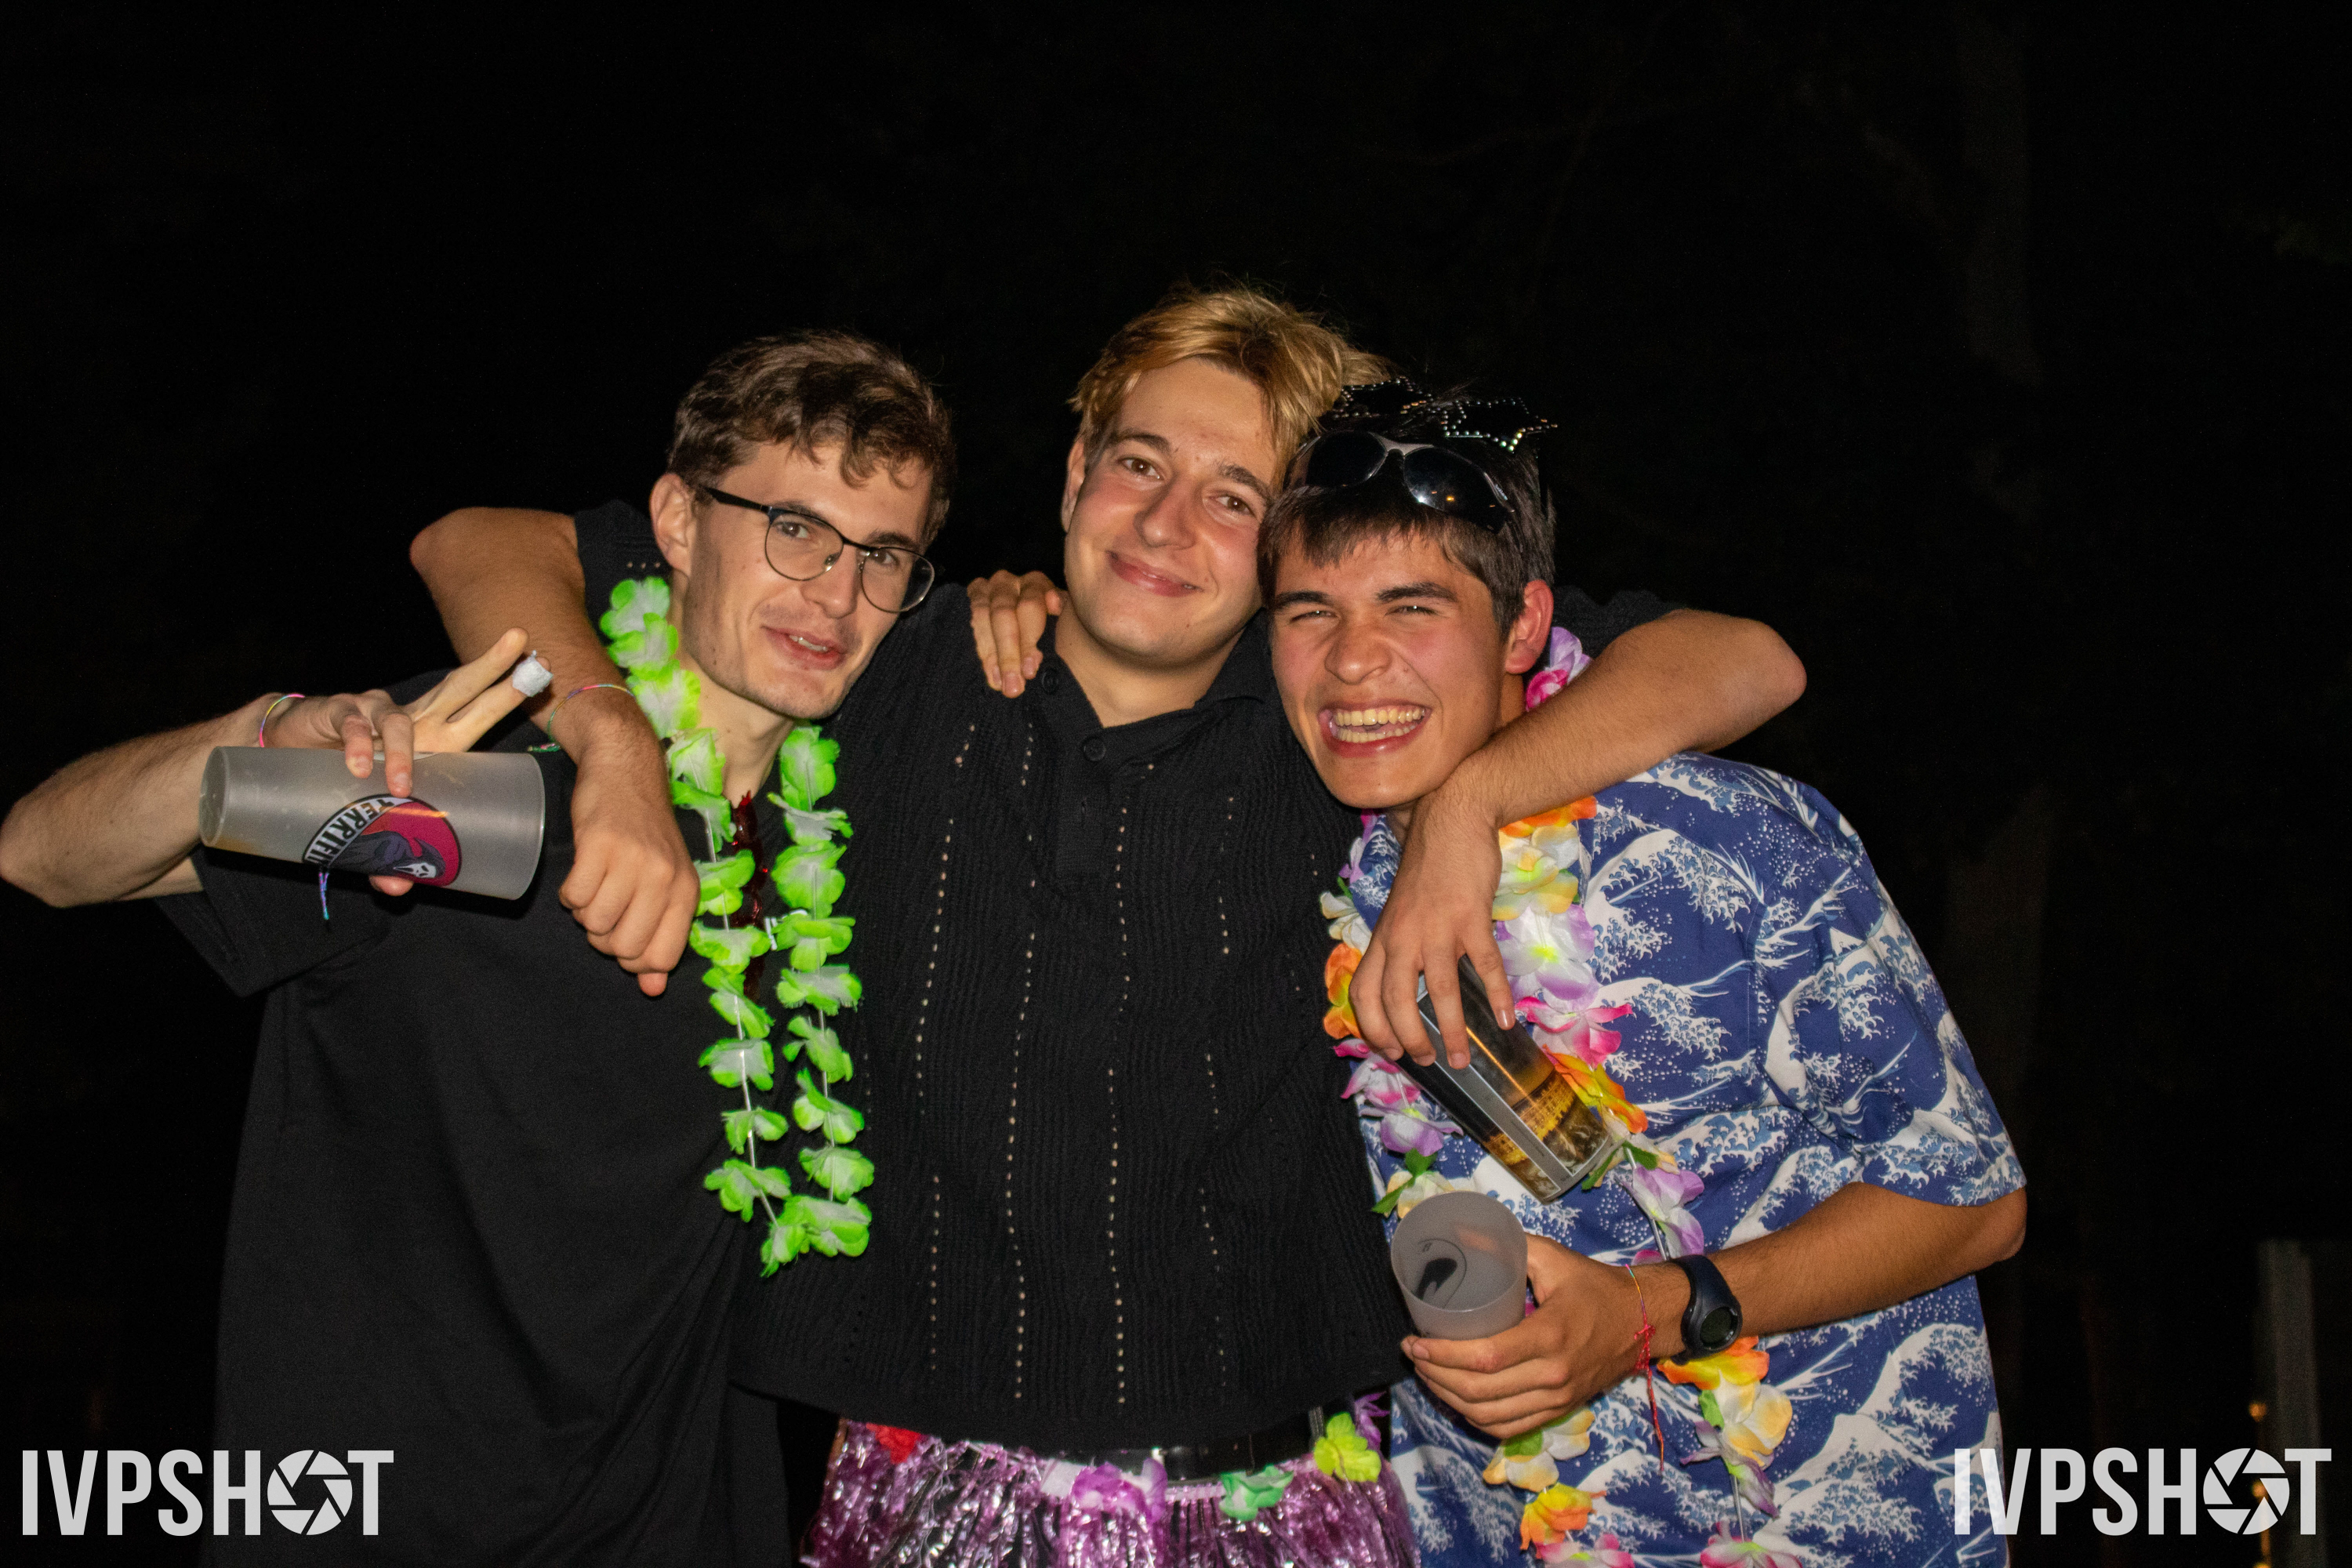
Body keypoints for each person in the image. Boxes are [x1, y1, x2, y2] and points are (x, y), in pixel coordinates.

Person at [408, 285, 1807, 1563]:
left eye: (1233, 496)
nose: (1164, 524)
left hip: (1284, 1501)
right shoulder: (883, 662)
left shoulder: (1345, 726)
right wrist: (609, 739)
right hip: (919, 1492)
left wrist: (1465, 805)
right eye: (1140, 464)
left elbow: (1746, 658)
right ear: (1077, 470)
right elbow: (478, 542)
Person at [0, 329, 956, 1565]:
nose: (835, 593)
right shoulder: (480, 787)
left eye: (883, 555)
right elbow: (42, 853)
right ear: (676, 522)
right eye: (794, 529)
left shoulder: (859, 841)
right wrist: (264, 737)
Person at [1258, 384, 2027, 1565]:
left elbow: (1973, 1203)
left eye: (1412, 607)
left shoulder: (1727, 838)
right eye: (1310, 613)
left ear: (1525, 627)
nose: (1353, 661)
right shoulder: (1307, 875)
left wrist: (1645, 1313)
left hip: (1818, 1521)